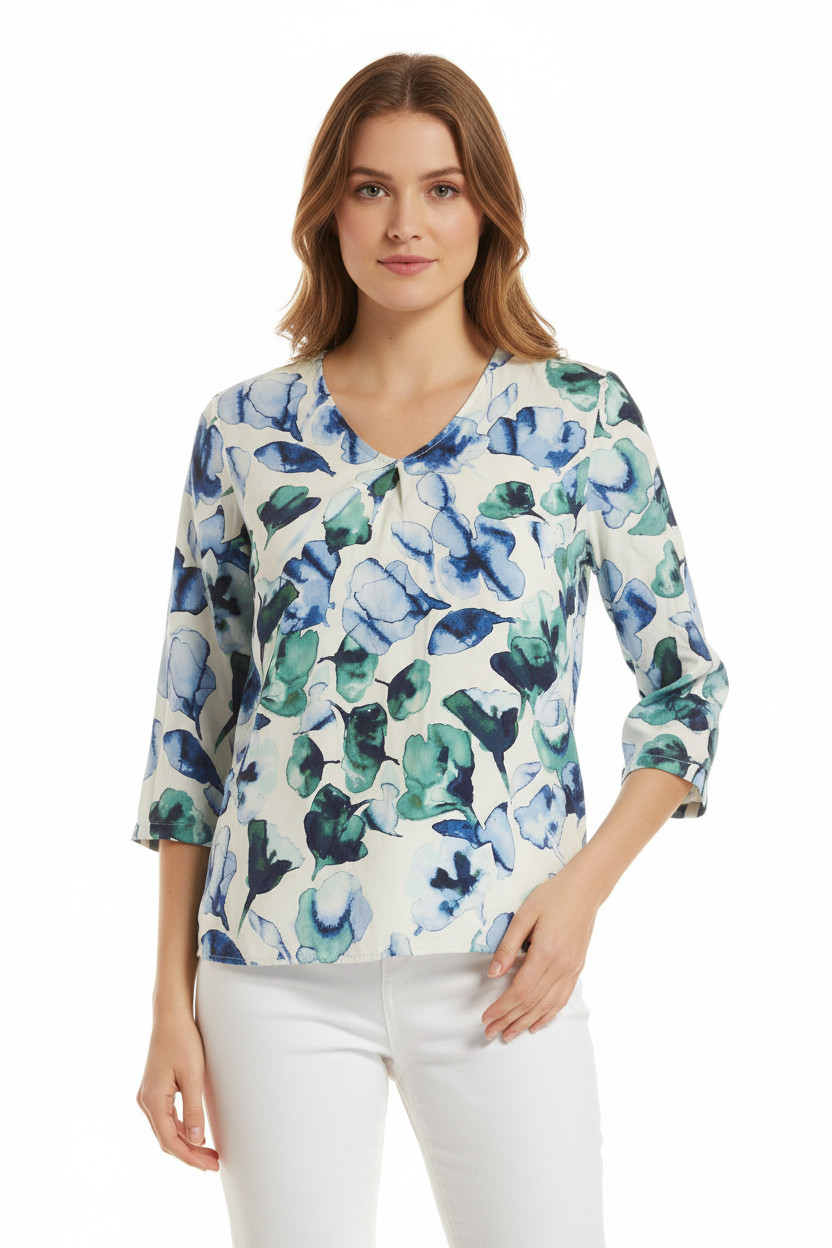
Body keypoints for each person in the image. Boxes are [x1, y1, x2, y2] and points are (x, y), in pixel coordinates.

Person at [133, 52, 729, 1248]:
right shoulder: (243, 429)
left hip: (503, 968)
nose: (405, 223)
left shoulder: (578, 418)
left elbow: (684, 691)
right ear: (329, 211)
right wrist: (168, 1005)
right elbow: (192, 731)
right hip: (269, 972)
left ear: (487, 208)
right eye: (371, 189)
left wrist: (580, 895)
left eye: (441, 188)